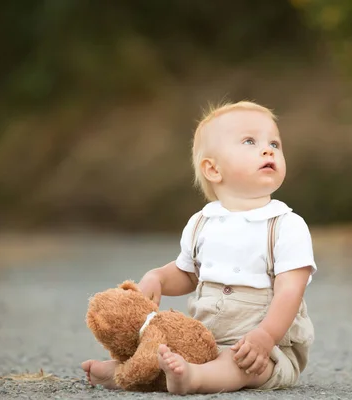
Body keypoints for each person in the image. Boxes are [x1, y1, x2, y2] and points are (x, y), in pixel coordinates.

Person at [81, 100, 317, 394]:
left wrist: (265, 336)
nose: (268, 150)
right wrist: (159, 277)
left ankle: (194, 380)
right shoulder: (202, 222)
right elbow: (188, 273)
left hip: (263, 347)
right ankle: (124, 372)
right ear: (213, 170)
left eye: (275, 144)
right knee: (165, 351)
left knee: (239, 365)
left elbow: (290, 291)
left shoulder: (286, 225)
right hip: (203, 339)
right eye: (249, 142)